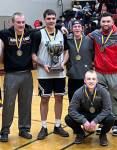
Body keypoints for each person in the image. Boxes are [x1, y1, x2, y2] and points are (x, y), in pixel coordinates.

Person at [31, 9, 69, 140]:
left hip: (59, 73)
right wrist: (43, 64)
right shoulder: (38, 34)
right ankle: (44, 126)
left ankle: (58, 125)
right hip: (44, 73)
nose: (51, 21)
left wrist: (63, 63)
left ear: (55, 19)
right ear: (44, 19)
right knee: (44, 99)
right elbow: (33, 55)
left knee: (59, 98)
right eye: (49, 18)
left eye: (53, 18)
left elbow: (66, 51)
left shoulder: (61, 33)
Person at [88, 12, 117, 136]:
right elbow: (81, 39)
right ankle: (102, 122)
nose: (106, 24)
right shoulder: (95, 34)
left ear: (112, 23)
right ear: (100, 23)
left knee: (116, 99)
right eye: (103, 21)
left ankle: (115, 123)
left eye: (108, 21)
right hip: (99, 73)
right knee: (101, 99)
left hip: (116, 72)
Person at [0, 12, 33, 142]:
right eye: (18, 22)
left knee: (26, 104)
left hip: (27, 74)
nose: (21, 25)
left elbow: (47, 28)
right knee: (8, 104)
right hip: (11, 75)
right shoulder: (4, 34)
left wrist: (61, 28)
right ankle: (5, 131)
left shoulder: (31, 33)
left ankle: (24, 129)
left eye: (23, 22)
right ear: (12, 22)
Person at [65, 70, 114, 146]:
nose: (91, 81)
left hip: (97, 114)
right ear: (85, 80)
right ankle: (80, 133)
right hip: (84, 114)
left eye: (93, 79)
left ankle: (103, 135)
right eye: (89, 79)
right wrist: (83, 120)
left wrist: (96, 120)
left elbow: (107, 109)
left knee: (111, 119)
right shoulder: (78, 92)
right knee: (68, 118)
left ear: (97, 80)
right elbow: (71, 110)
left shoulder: (103, 91)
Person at [63, 20, 93, 102]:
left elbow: (94, 55)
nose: (77, 28)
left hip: (86, 77)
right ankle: (73, 115)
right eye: (75, 27)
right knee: (72, 100)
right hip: (73, 76)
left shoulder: (89, 40)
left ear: (82, 28)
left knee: (86, 101)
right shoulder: (68, 41)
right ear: (72, 29)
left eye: (79, 26)